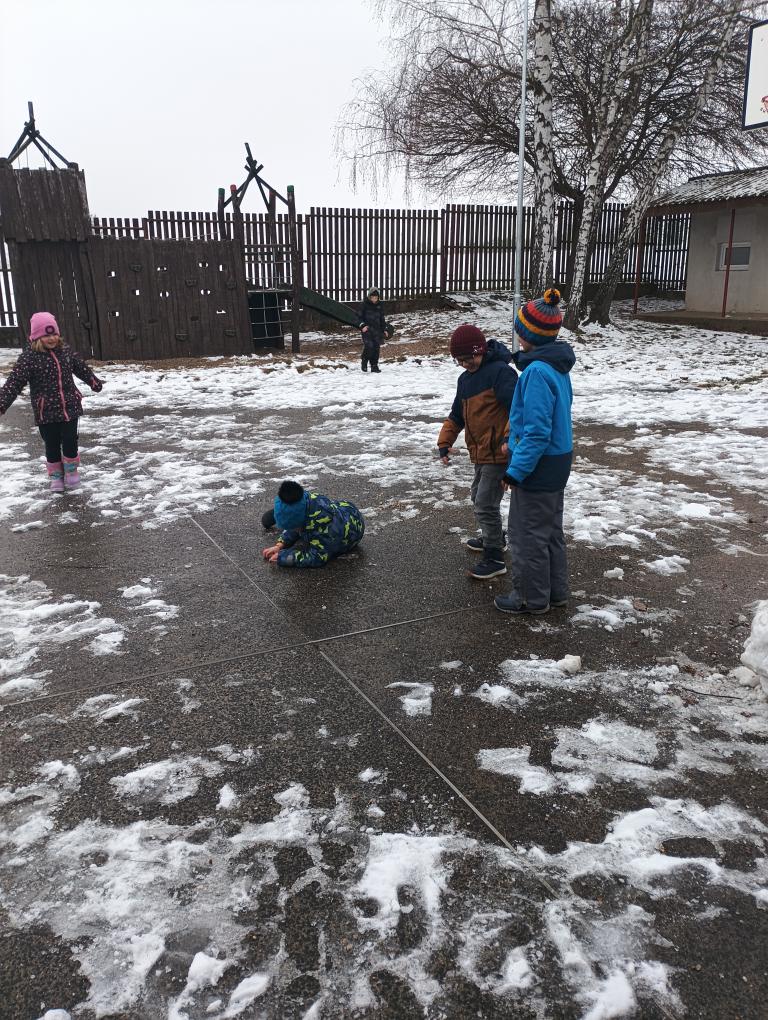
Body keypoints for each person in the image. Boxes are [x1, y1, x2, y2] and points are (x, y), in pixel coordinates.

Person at [494, 288, 575, 616]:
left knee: (527, 535)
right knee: (549, 531)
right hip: (557, 461)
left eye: (520, 329)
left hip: (538, 466)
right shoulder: (556, 366)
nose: (517, 335)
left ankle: (530, 597)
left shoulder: (537, 372)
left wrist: (515, 470)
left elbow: (538, 431)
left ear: (529, 335)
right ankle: (555, 592)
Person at [437, 324, 517, 579]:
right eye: (459, 360)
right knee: (478, 496)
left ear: (480, 350)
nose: (464, 364)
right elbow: (456, 415)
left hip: (499, 451)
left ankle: (494, 557)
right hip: (480, 452)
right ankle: (495, 537)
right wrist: (444, 442)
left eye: (468, 358)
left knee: (485, 502)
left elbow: (517, 409)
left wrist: (509, 438)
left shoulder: (501, 373)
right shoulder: (465, 380)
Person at [0, 311, 104, 492]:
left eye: (54, 334)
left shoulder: (65, 351)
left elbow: (81, 367)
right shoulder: (29, 358)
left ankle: (71, 471)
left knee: (71, 441)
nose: (52, 338)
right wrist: (2, 403)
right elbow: (14, 383)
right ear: (36, 337)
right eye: (46, 335)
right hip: (45, 411)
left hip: (70, 407)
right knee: (52, 444)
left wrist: (93, 382)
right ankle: (56, 476)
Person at [262, 480, 365, 567]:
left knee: (295, 525)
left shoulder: (326, 532)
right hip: (342, 507)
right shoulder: (306, 499)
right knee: (287, 520)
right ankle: (283, 512)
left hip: (349, 522)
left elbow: (316, 558)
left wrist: (283, 557)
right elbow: (294, 529)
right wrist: (280, 545)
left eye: (293, 527)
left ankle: (283, 515)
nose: (291, 529)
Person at [357, 287, 393, 373]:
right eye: (372, 297)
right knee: (369, 346)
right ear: (369, 296)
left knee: (376, 348)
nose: (374, 299)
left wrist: (385, 329)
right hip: (367, 330)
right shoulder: (364, 305)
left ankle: (374, 366)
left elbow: (382, 319)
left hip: (377, 330)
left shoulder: (380, 305)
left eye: (376, 297)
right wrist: (362, 325)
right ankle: (364, 361)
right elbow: (358, 317)